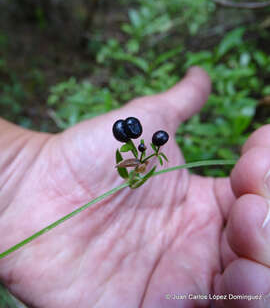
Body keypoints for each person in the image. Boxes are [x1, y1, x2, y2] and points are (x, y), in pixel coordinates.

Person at [0, 66, 269, 308]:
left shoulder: (145, 152)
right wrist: (20, 172)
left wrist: (20, 171)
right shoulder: (134, 150)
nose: (128, 130)